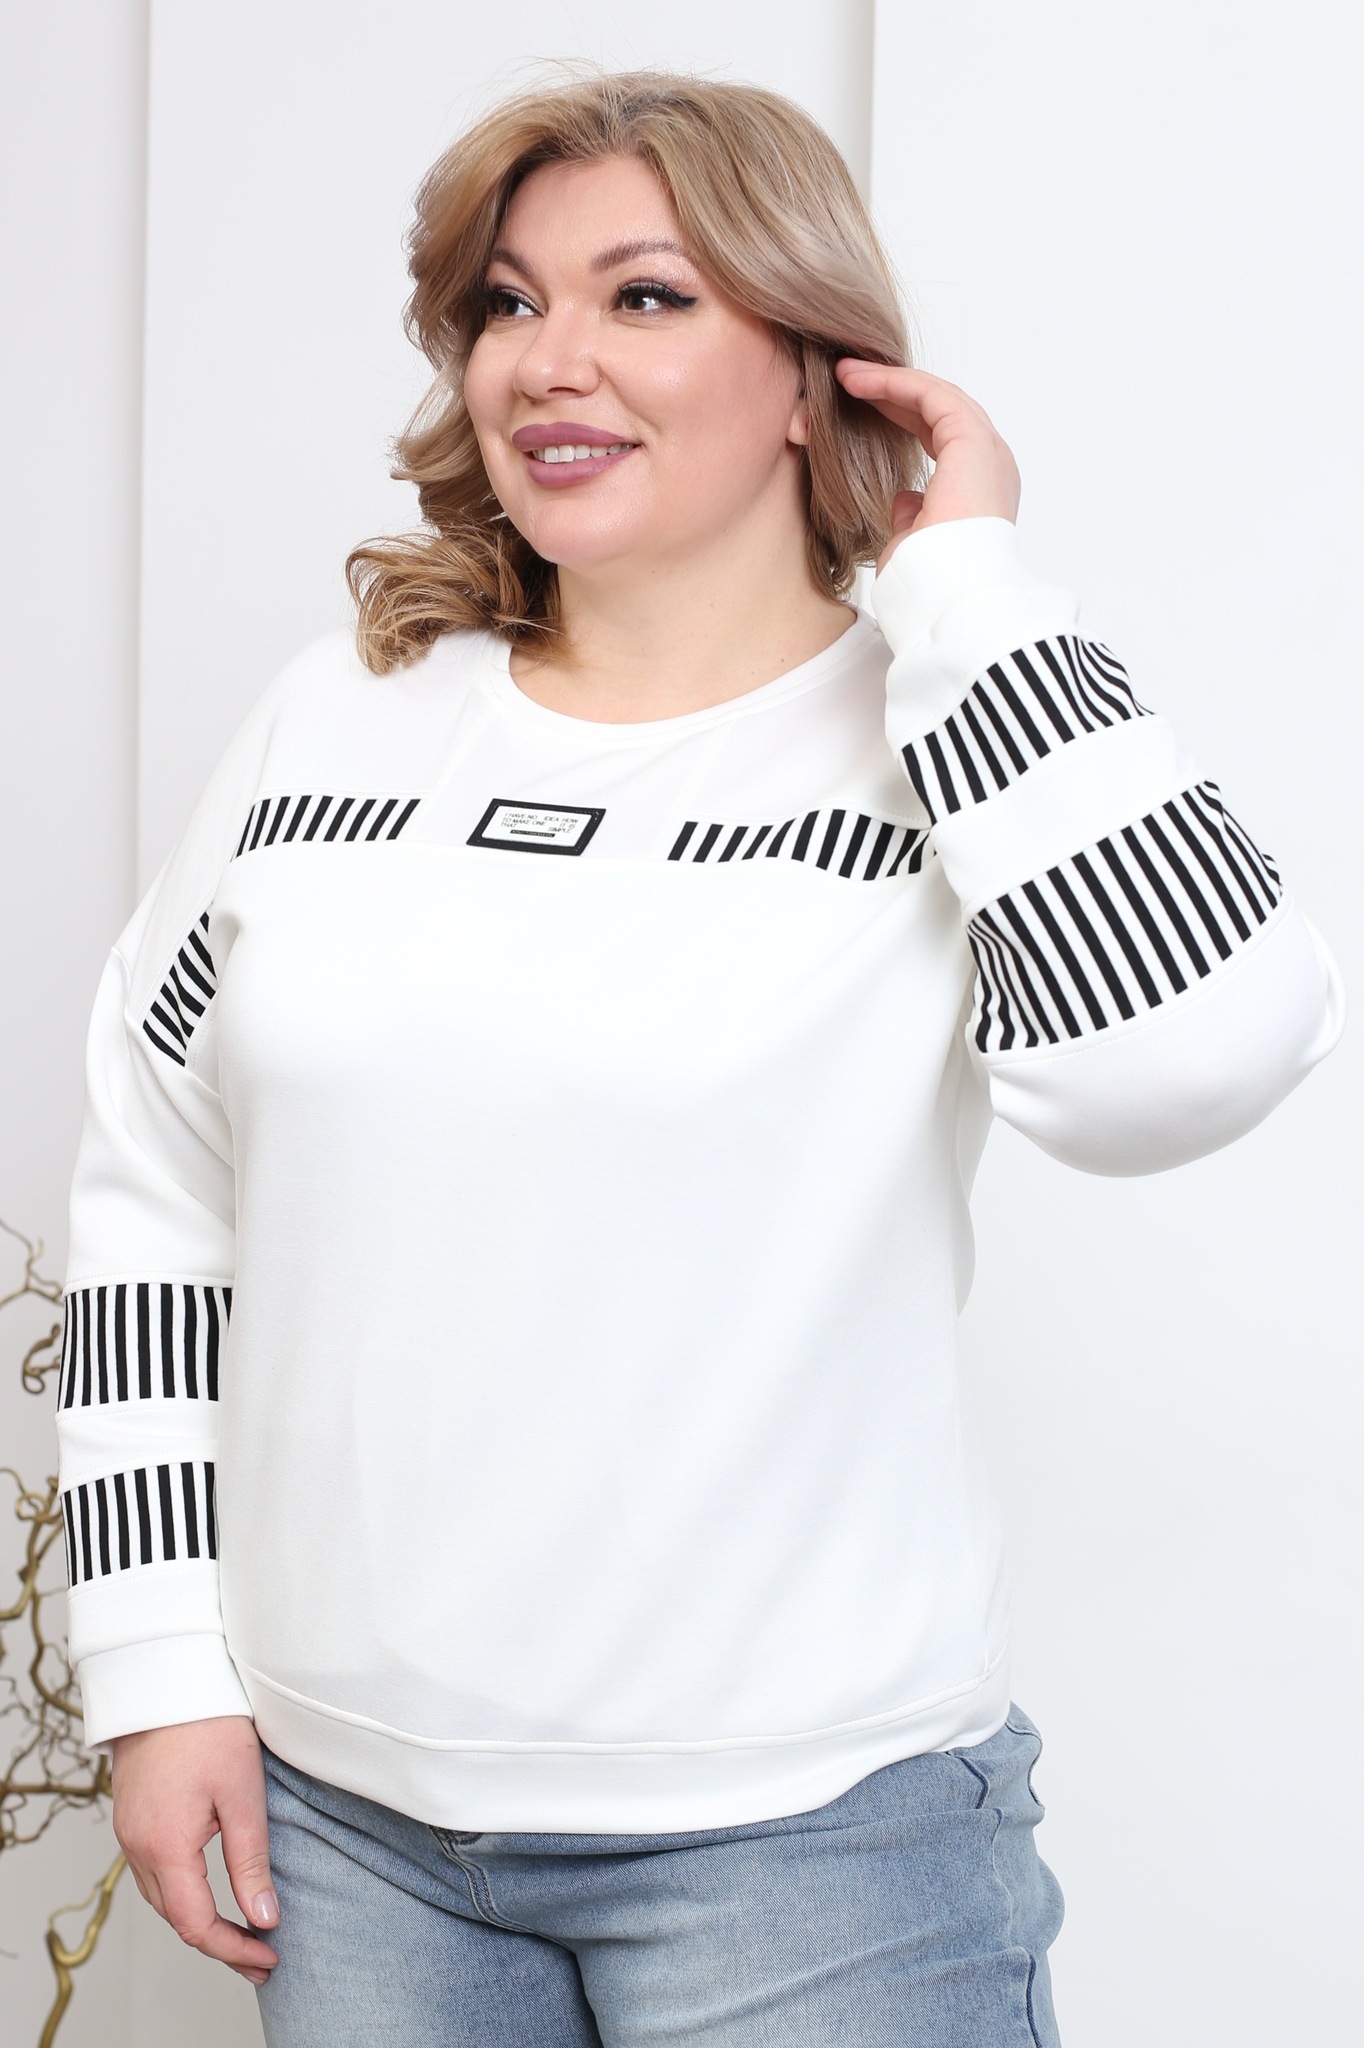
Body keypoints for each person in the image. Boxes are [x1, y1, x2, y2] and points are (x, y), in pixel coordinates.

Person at [55, 67, 1343, 2048]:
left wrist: (966, 593)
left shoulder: (947, 727)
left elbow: (1190, 1063)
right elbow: (158, 1194)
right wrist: (156, 1673)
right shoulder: (339, 720)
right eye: (509, 301)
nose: (547, 359)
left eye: (644, 295)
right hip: (351, 1836)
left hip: (813, 1853)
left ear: (817, 369)